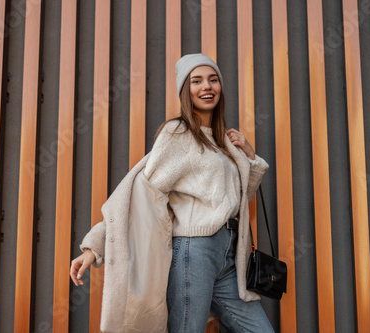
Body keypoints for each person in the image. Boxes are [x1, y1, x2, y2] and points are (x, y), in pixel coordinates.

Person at [70, 53, 274, 333]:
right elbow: (137, 195)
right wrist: (95, 247)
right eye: (197, 81)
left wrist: (249, 158)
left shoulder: (223, 141)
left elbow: (237, 201)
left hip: (227, 258)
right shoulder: (177, 134)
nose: (206, 87)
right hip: (195, 252)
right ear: (185, 91)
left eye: (213, 80)